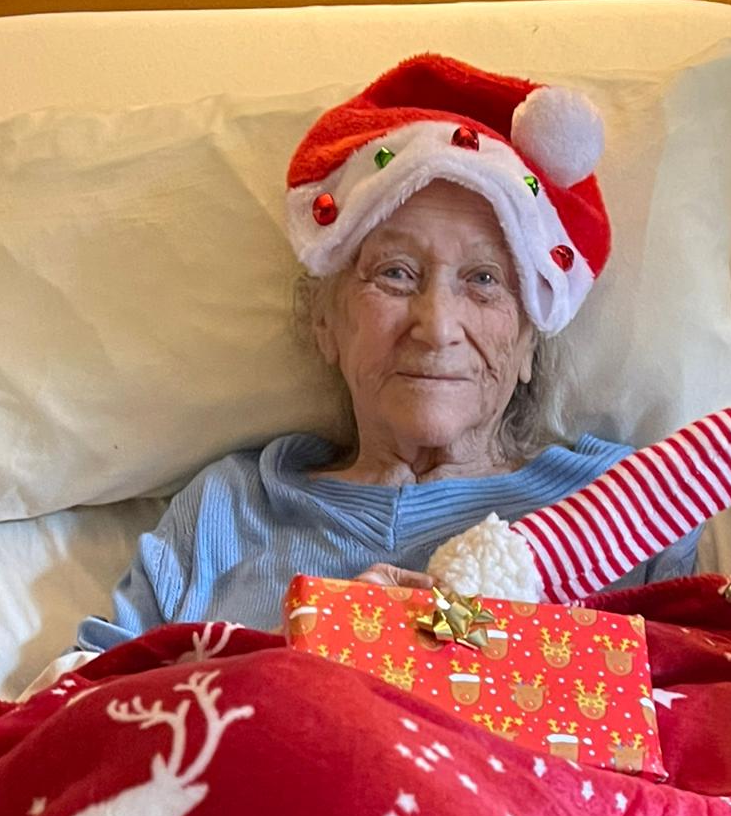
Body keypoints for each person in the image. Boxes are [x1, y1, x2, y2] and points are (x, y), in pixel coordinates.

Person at [75, 54, 699, 655]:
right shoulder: (233, 509)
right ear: (325, 321)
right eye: (396, 273)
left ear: (529, 342)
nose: (437, 327)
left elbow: (715, 694)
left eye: (484, 280)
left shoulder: (631, 503)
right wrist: (309, 652)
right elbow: (83, 700)